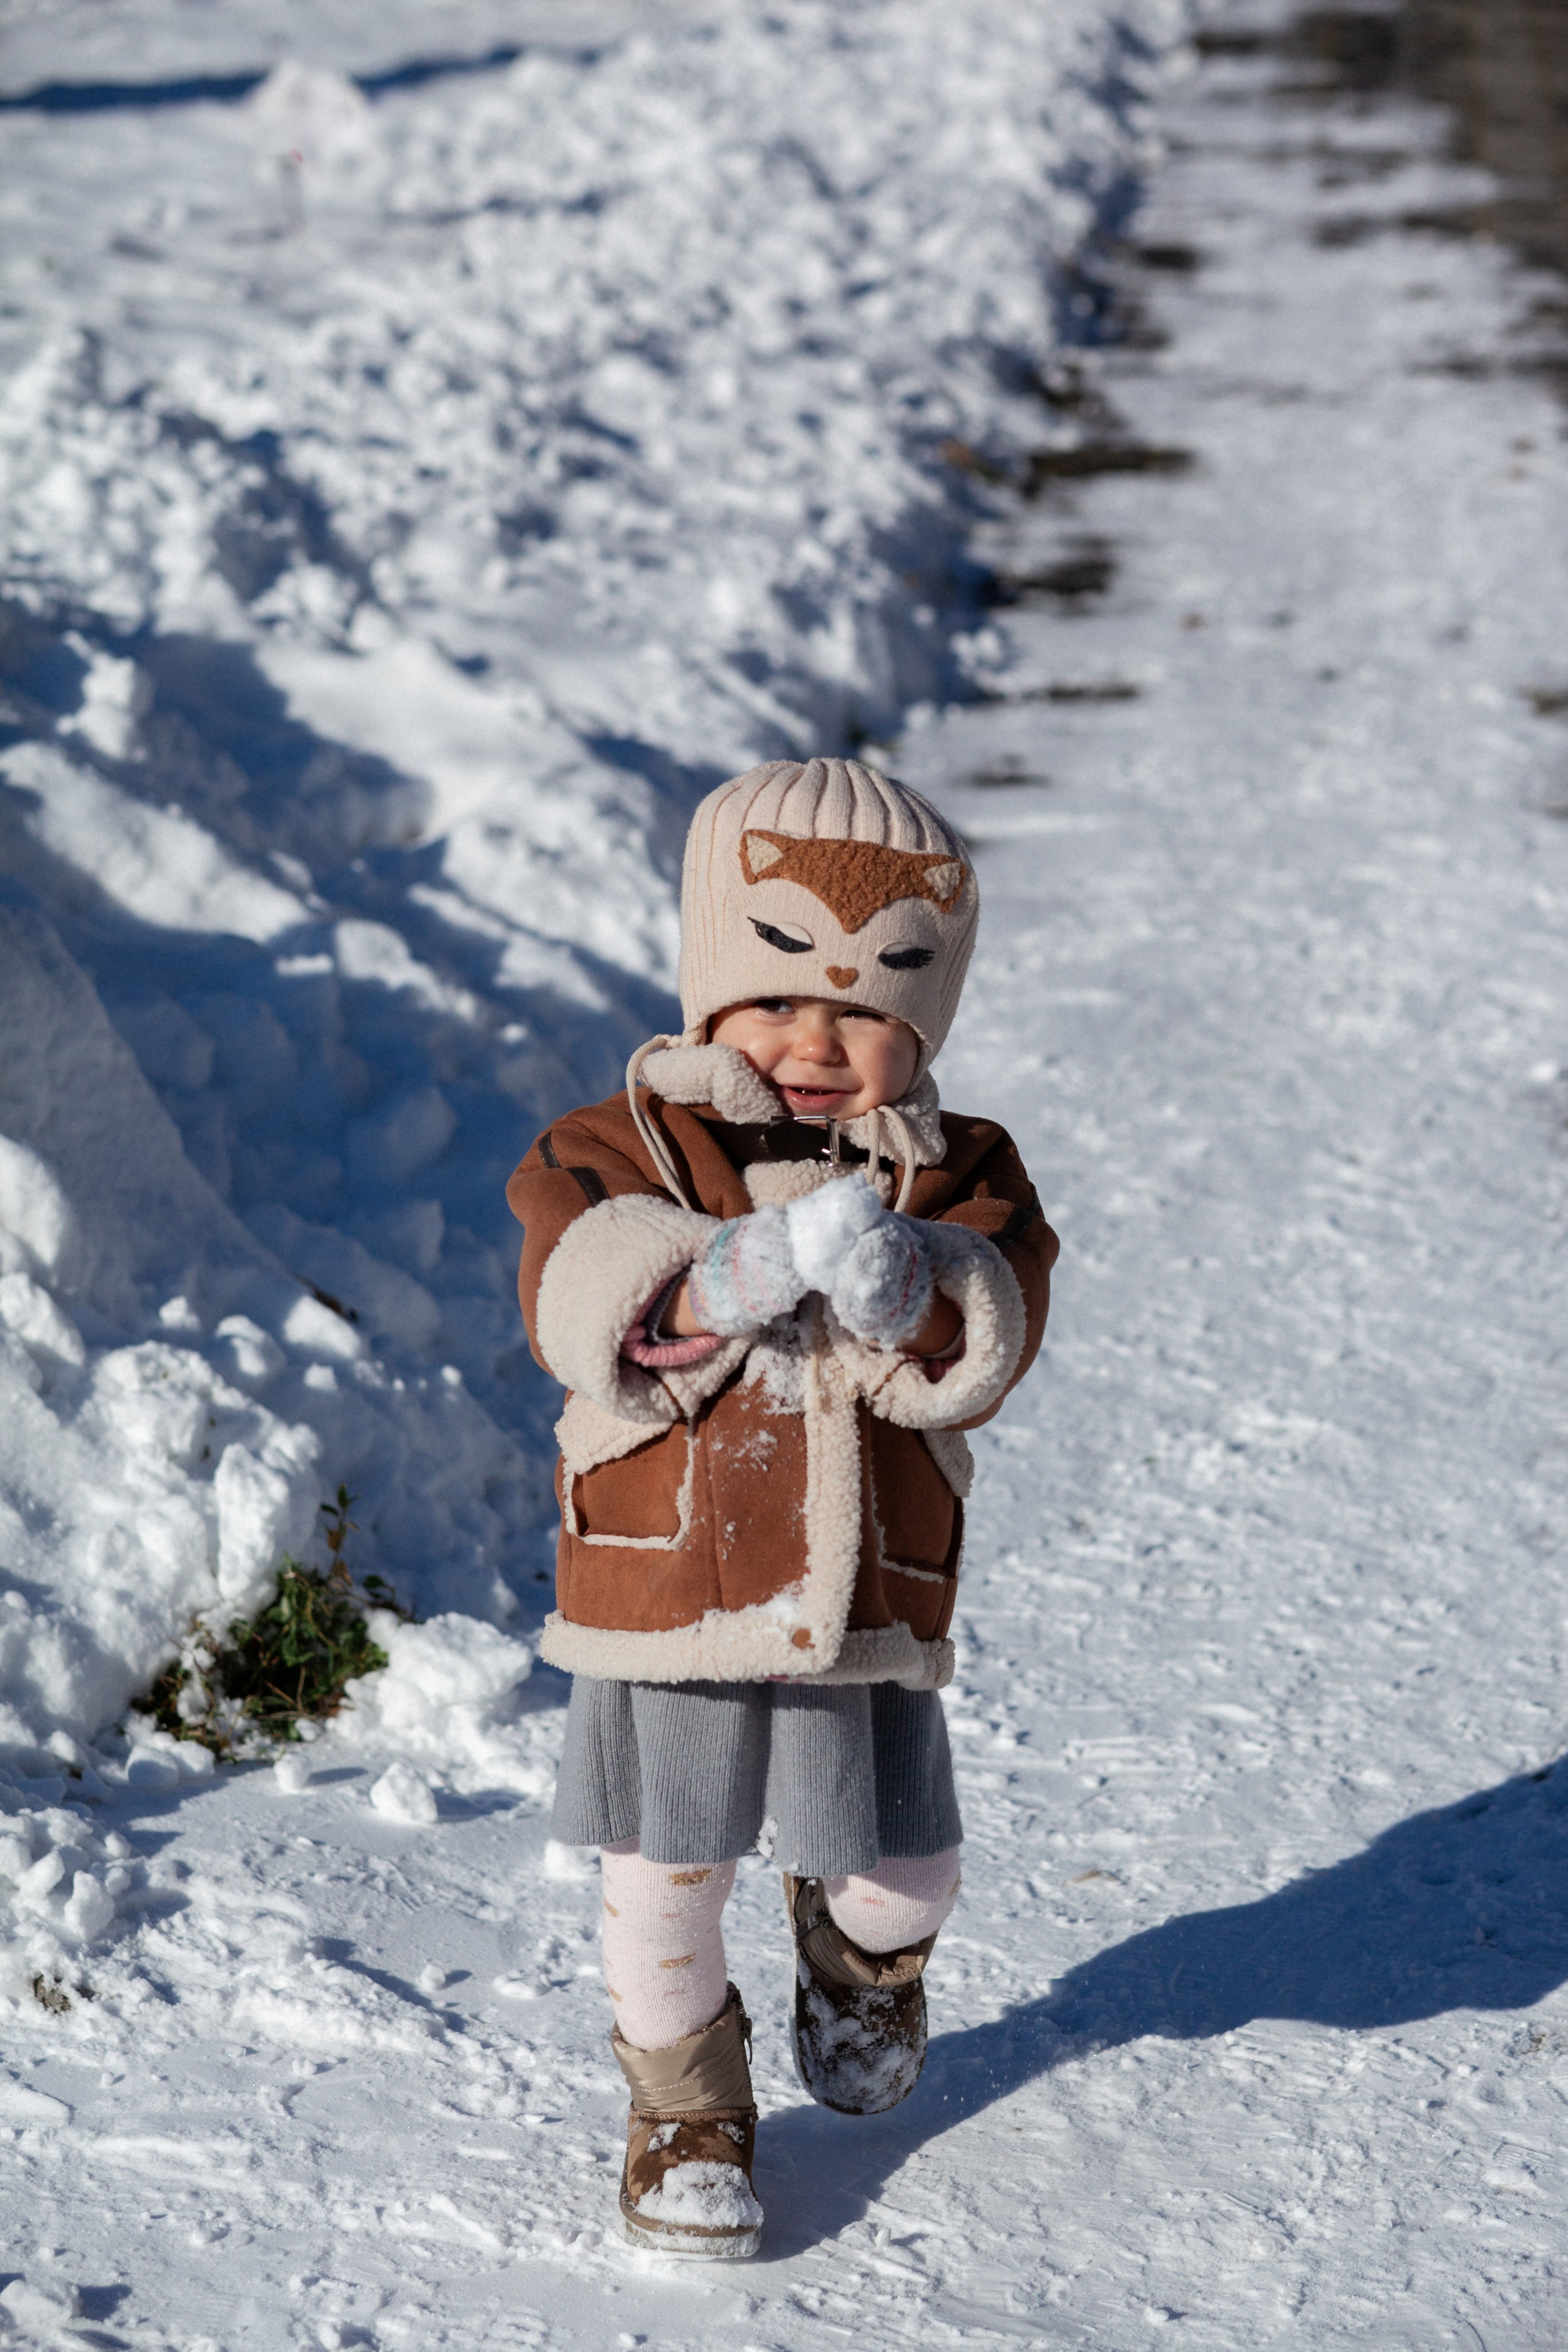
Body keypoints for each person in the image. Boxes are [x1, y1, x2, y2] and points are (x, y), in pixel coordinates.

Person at [506, 756, 1057, 2258]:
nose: (818, 1040)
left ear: (922, 1022)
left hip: (862, 1590)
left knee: (903, 1867)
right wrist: (720, 1276)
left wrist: (918, 1290)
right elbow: (576, 1291)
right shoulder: (618, 1137)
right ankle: (683, 2111)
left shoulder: (952, 1165)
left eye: (872, 1004)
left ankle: (857, 1963)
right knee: (664, 1872)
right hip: (672, 1589)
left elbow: (992, 1317)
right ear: (703, 989)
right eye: (776, 995)